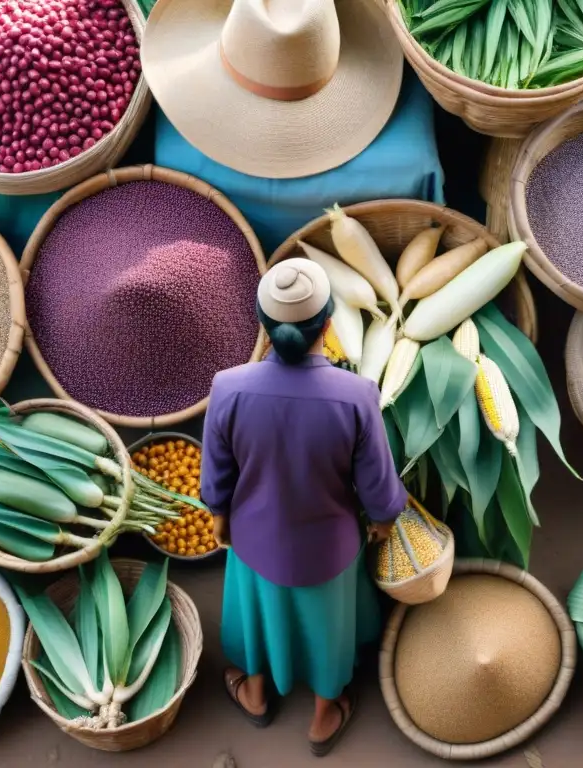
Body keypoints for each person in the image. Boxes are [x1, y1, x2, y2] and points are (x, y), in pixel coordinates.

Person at [201, 258, 407, 757]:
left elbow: (216, 478)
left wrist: (222, 521)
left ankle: (254, 692)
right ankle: (323, 714)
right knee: (328, 628)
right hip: (329, 548)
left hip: (254, 540)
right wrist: (381, 522)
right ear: (329, 325)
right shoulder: (357, 395)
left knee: (256, 614)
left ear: (263, 326)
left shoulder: (228, 387)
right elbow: (378, 486)